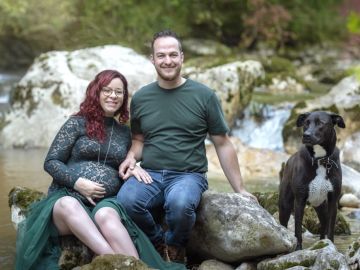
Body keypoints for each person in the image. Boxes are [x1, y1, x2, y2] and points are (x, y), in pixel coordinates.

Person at [15, 69, 186, 270]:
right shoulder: (76, 123)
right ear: (96, 92)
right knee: (69, 205)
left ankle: (138, 267)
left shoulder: (124, 132)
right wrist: (78, 183)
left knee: (106, 215)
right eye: (107, 90)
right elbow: (51, 161)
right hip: (68, 197)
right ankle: (114, 261)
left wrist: (132, 169)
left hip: (106, 202)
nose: (113, 96)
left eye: (119, 92)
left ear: (124, 98)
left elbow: (125, 164)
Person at [117, 30, 257, 264]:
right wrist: (131, 157)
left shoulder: (204, 96)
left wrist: (240, 189)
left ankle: (175, 245)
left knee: (180, 204)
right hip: (150, 174)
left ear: (182, 57)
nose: (167, 60)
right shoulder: (141, 97)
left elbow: (222, 143)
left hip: (188, 175)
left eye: (173, 54)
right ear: (152, 59)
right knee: (127, 202)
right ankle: (158, 242)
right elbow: (139, 140)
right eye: (161, 55)